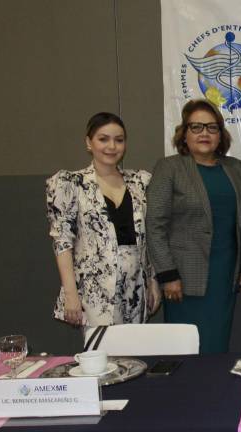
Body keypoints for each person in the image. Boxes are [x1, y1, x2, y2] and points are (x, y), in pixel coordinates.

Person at [146, 99, 241, 353]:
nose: (205, 134)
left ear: (221, 135)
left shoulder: (235, 168)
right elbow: (155, 225)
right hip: (182, 282)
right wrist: (168, 274)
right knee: (185, 350)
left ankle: (213, 391)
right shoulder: (169, 168)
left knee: (216, 344)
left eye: (212, 127)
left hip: (225, 276)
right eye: (196, 127)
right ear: (184, 134)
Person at [47, 112, 160, 327]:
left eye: (119, 140)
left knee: (135, 357)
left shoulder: (141, 182)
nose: (112, 146)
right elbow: (62, 242)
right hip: (94, 292)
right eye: (103, 139)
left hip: (136, 287)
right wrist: (71, 293)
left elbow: (151, 237)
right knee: (102, 358)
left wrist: (152, 281)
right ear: (89, 142)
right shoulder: (69, 183)